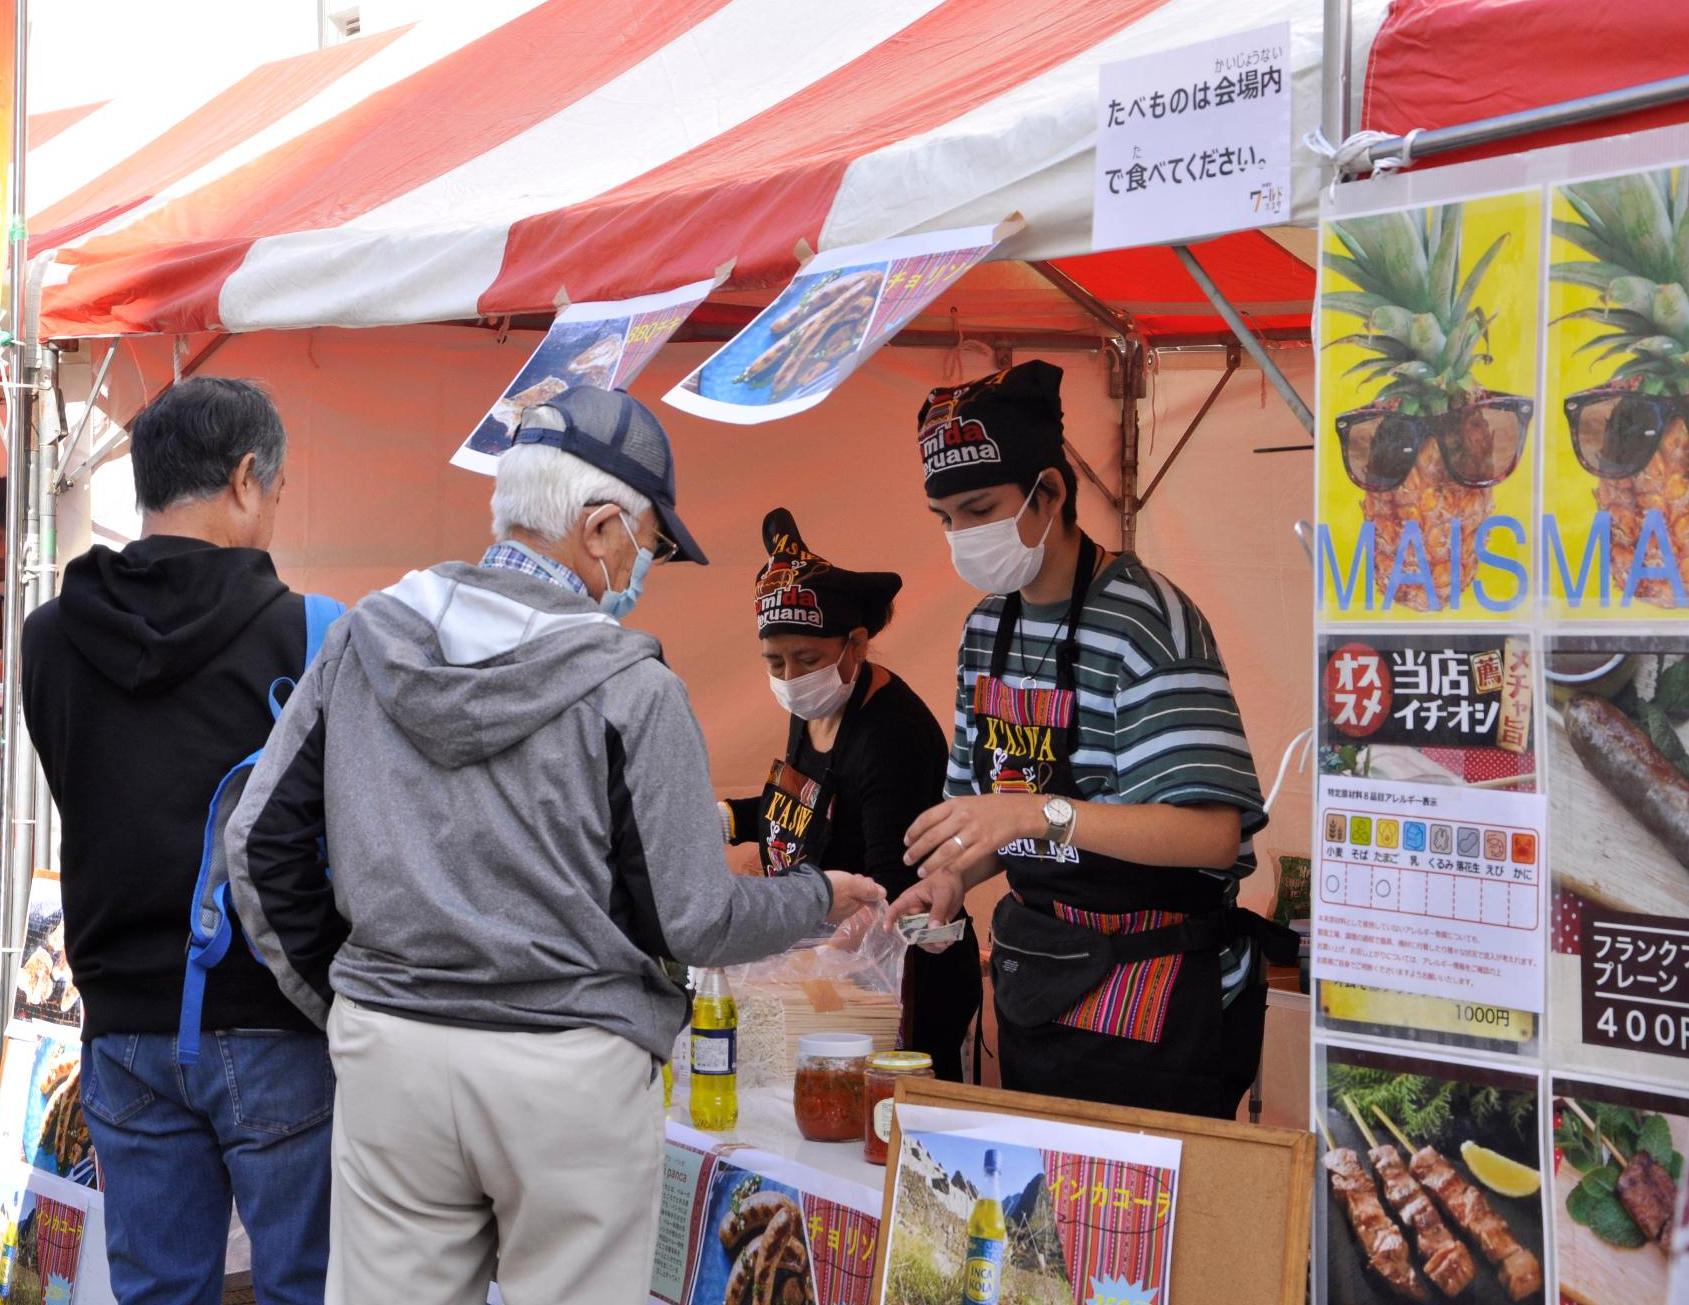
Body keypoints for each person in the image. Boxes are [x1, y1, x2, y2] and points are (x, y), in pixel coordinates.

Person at [223, 387, 884, 1305]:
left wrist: (347, 995)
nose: (642, 568)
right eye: (648, 545)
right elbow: (694, 917)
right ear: (602, 528)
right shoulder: (634, 689)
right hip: (570, 1067)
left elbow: (257, 844)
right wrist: (820, 894)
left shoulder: (366, 636)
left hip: (395, 1055)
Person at [890, 360, 1293, 1120]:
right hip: (1041, 985)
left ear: (1049, 492)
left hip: (1162, 1000)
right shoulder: (986, 630)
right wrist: (954, 878)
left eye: (980, 509)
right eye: (946, 520)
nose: (962, 538)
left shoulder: (1145, 623)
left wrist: (1038, 813)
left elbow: (1211, 834)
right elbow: (986, 823)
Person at [21, 378, 330, 1305]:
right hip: (278, 1023)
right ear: (245, 478)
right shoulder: (315, 634)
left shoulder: (49, 638)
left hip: (121, 1025)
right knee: (307, 1286)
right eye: (275, 490)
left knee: (157, 1291)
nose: (275, 511)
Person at [722, 509, 982, 1080]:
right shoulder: (814, 706)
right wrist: (725, 820)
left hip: (901, 982)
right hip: (835, 970)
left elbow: (897, 889)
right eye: (775, 661)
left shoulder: (893, 734)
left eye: (807, 660)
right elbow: (804, 806)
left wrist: (820, 954)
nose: (790, 676)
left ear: (856, 643)